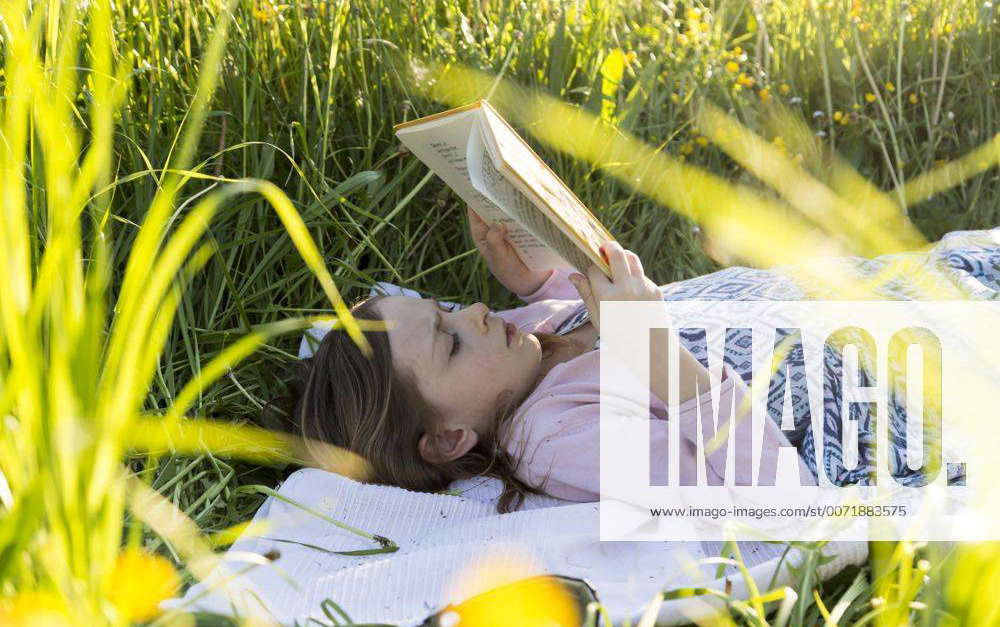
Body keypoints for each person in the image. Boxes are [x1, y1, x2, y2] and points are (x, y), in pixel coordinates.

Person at [269, 207, 808, 513]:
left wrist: (537, 281)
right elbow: (774, 493)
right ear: (450, 438)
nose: (476, 310)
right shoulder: (557, 439)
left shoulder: (513, 357)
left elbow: (579, 325)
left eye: (447, 310)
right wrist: (655, 350)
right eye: (450, 341)